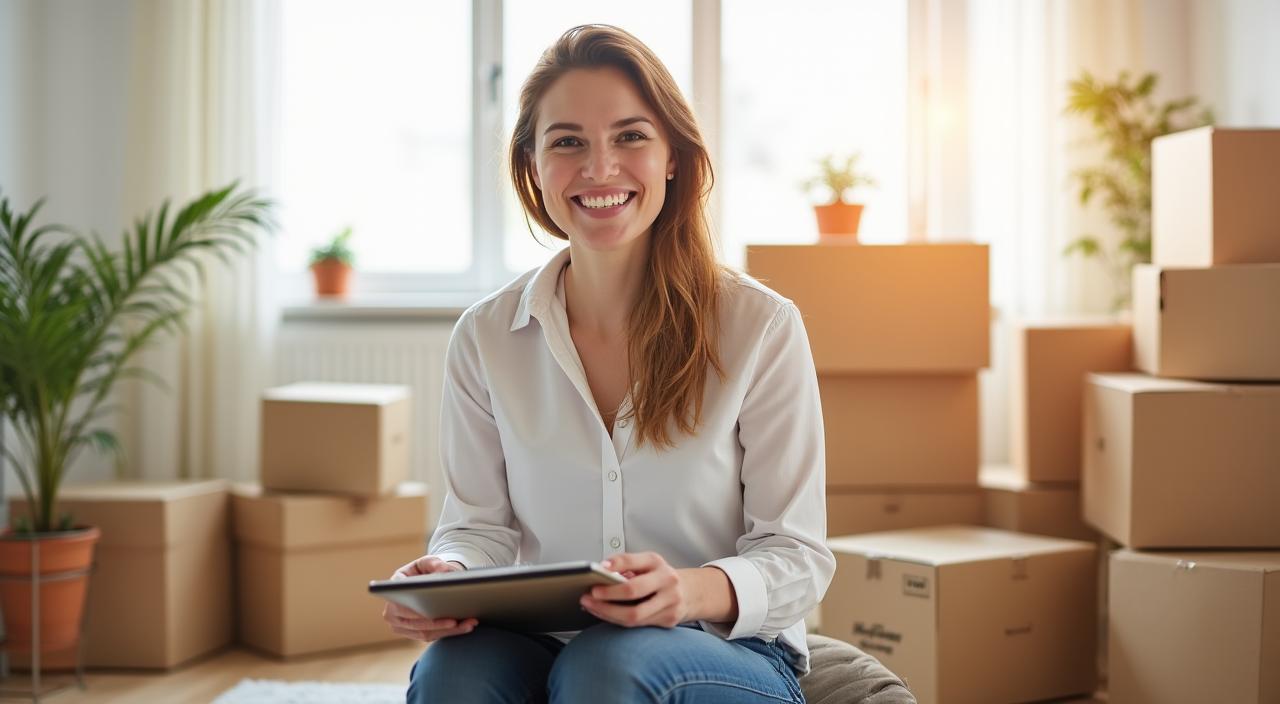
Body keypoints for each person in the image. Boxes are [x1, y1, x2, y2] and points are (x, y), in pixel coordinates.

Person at [385, 23, 833, 704]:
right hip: (543, 643)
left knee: (606, 665)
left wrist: (688, 592)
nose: (599, 169)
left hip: (725, 649)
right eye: (567, 142)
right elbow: (479, 525)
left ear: (673, 157)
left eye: (630, 136)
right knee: (452, 675)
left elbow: (799, 556)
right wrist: (445, 572)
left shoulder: (760, 326)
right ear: (532, 165)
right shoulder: (487, 336)